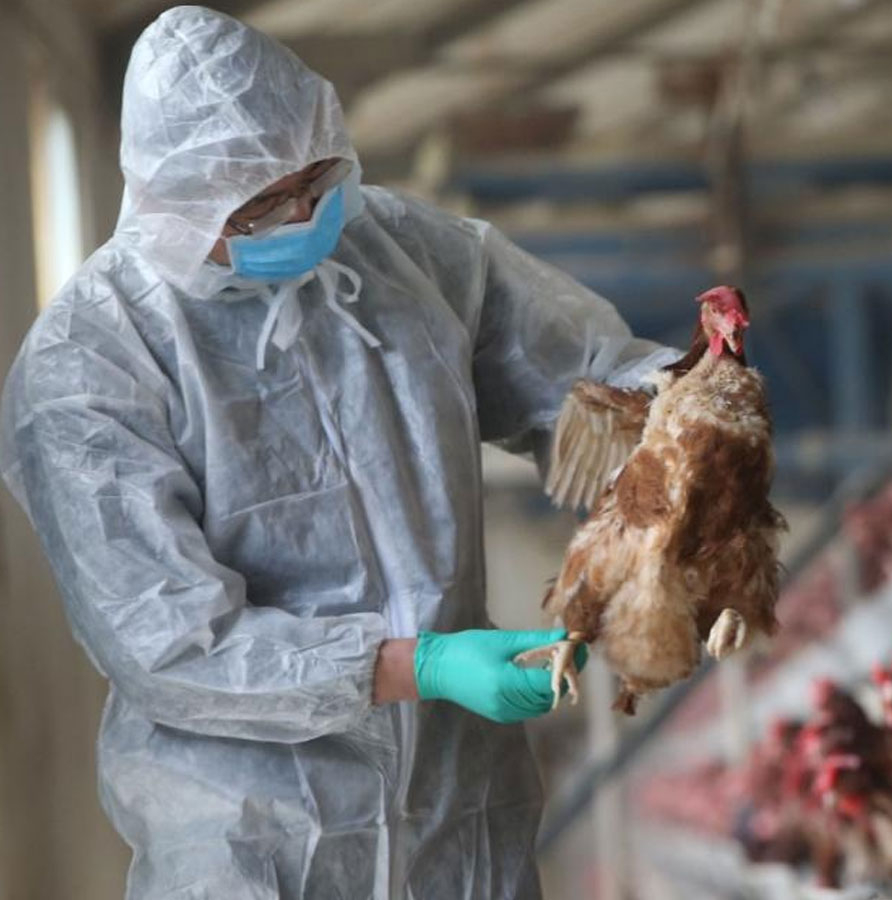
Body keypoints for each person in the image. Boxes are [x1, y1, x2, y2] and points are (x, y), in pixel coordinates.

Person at [0, 6, 677, 899]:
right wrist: (424, 665)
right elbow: (172, 645)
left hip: (457, 817)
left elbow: (585, 383)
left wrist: (687, 421)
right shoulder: (91, 362)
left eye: (315, 178)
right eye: (260, 205)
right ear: (173, 205)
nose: (302, 214)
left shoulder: (399, 251)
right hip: (253, 839)